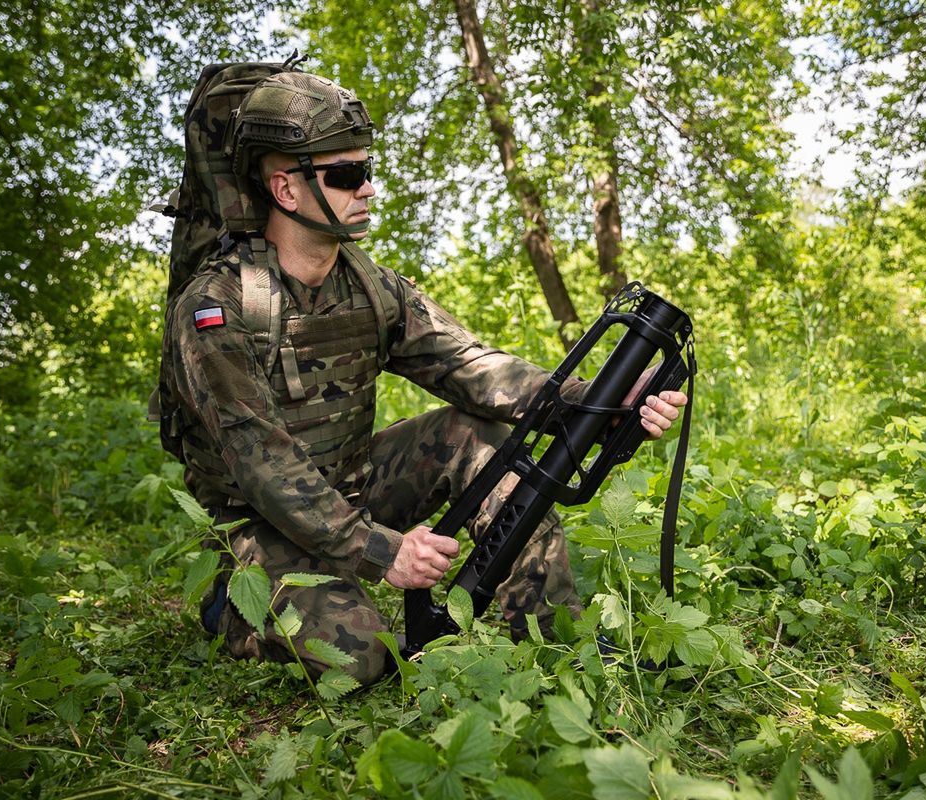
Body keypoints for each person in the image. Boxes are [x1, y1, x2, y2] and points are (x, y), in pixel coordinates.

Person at [167, 71, 686, 684]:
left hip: (354, 487)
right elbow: (261, 463)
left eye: (367, 168)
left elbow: (470, 366)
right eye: (346, 175)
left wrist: (596, 402)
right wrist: (382, 550)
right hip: (256, 521)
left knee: (475, 433)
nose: (368, 188)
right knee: (362, 662)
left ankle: (555, 634)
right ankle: (232, 602)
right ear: (285, 188)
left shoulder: (369, 286)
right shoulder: (218, 307)